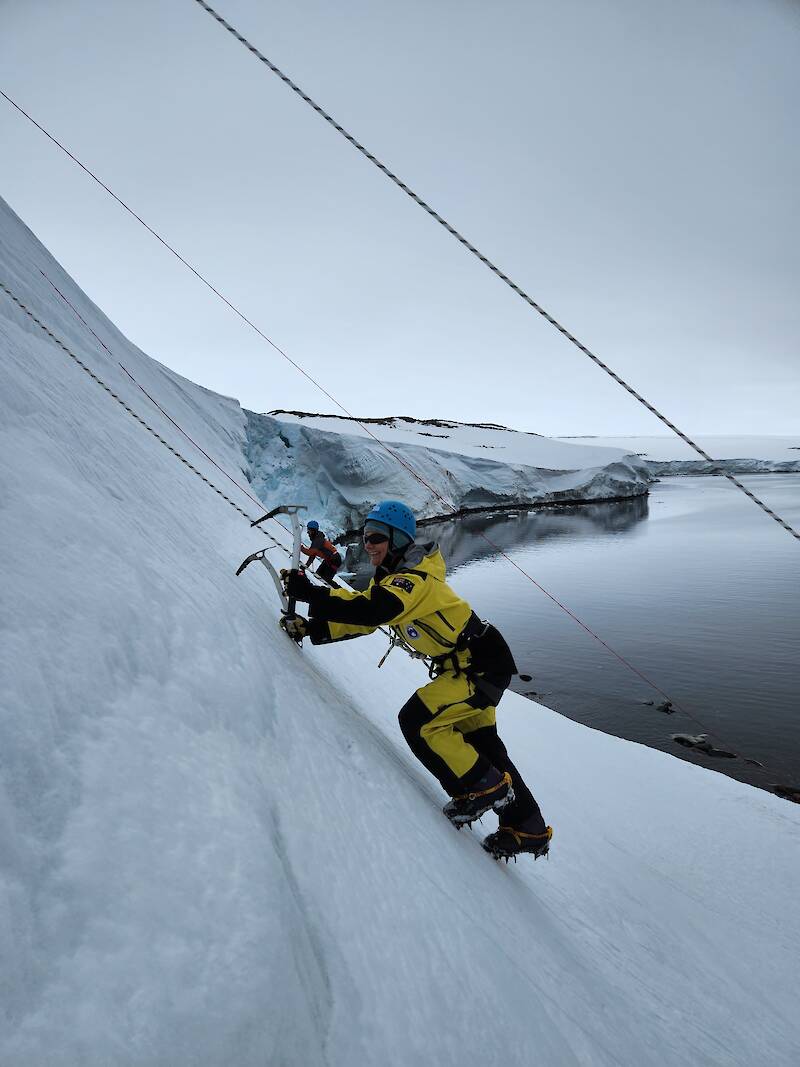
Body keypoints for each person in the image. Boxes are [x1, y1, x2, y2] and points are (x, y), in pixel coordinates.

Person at [281, 500, 552, 860]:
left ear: (396, 539)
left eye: (376, 536)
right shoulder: (394, 581)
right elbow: (365, 617)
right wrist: (312, 626)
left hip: (479, 665)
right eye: (364, 537)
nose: (368, 544)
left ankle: (482, 789)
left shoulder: (415, 580)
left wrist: (312, 593)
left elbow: (371, 610)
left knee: (419, 721)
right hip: (473, 663)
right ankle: (528, 828)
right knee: (482, 745)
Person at [300, 519, 342, 585]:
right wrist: (306, 566)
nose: (307, 532)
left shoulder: (318, 540)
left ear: (313, 530)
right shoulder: (316, 539)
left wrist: (301, 548)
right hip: (329, 559)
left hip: (335, 560)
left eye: (309, 530)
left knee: (326, 579)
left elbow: (310, 553)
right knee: (318, 575)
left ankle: (338, 591)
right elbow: (313, 554)